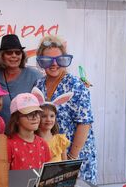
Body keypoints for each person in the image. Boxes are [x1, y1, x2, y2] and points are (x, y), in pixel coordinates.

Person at [34, 35, 97, 184]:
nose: (54, 64)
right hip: (50, 154)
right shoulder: (39, 84)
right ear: (41, 61)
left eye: (59, 59)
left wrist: (71, 159)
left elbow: (84, 122)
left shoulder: (77, 85)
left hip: (74, 154)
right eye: (47, 60)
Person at [0, 34, 43, 126]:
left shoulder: (34, 75)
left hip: (27, 134)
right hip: (0, 134)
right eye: (9, 53)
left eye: (17, 52)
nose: (14, 56)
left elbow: (44, 106)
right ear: (2, 56)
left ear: (22, 55)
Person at [7, 93, 51, 170]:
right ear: (16, 119)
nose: (35, 117)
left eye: (37, 113)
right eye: (29, 114)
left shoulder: (43, 143)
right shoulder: (9, 144)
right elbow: (4, 175)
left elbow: (47, 173)